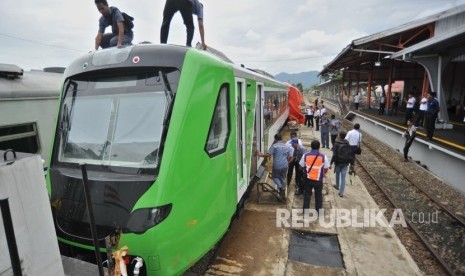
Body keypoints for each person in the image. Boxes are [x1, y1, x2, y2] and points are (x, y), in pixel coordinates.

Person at [299, 140, 330, 213]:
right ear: (319, 147)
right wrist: (322, 174)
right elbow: (326, 168)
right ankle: (319, 212)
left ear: (311, 147)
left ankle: (305, 211)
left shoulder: (305, 155)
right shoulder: (323, 157)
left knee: (307, 195)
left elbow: (301, 166)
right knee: (318, 196)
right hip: (318, 180)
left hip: (308, 179)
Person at [257, 134, 292, 198]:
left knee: (275, 177)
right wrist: (286, 162)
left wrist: (260, 155)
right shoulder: (286, 146)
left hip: (277, 165)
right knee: (283, 177)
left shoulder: (274, 146)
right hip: (285, 165)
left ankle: (281, 188)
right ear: (281, 138)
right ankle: (283, 190)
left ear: (275, 139)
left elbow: (268, 155)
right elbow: (289, 157)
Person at [330, 131, 352, 197]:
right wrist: (351, 163)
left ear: (339, 136)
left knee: (337, 174)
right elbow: (350, 154)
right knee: (343, 177)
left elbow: (334, 155)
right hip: (345, 163)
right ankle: (341, 193)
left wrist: (330, 163)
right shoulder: (348, 143)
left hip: (338, 162)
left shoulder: (336, 143)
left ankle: (337, 185)